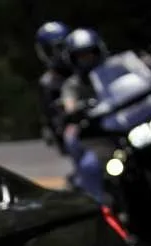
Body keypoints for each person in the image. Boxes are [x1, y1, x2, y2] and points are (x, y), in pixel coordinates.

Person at [58, 28, 112, 203]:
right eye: (81, 56)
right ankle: (100, 205)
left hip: (124, 127)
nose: (87, 59)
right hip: (100, 137)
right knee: (89, 165)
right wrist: (75, 111)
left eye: (90, 53)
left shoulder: (115, 70)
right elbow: (69, 105)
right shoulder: (72, 85)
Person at [35, 21, 73, 154]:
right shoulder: (48, 83)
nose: (58, 55)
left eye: (61, 48)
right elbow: (52, 118)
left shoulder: (87, 67)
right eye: (51, 50)